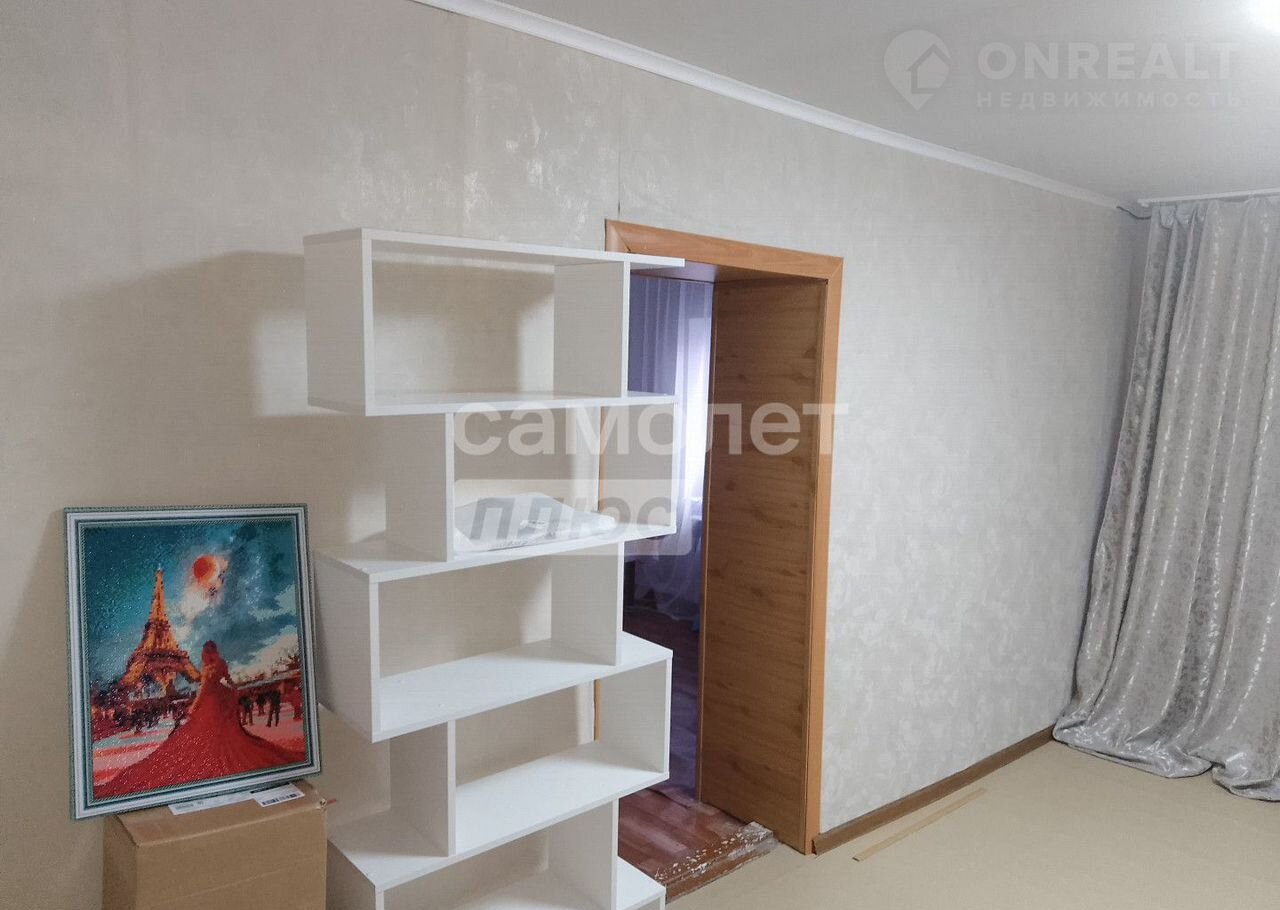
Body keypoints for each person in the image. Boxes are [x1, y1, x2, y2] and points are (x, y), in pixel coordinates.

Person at [97, 641, 304, 798]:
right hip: (222, 698)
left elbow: (204, 690)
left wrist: (194, 707)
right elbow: (229, 681)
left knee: (202, 730)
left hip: (211, 700)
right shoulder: (221, 663)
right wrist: (234, 691)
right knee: (221, 729)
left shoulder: (207, 668)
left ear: (205, 653)